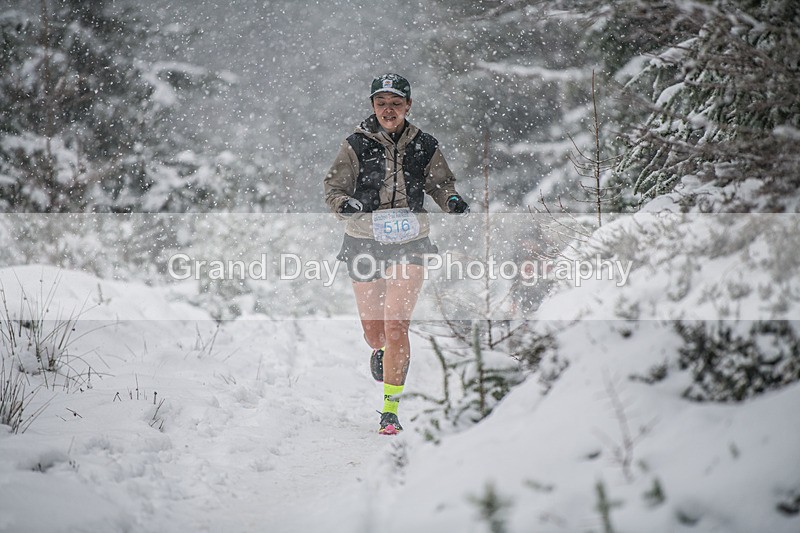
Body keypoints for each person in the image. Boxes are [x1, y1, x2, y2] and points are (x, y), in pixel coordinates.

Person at [324, 73, 469, 435]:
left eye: (396, 103)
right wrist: (344, 204)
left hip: (411, 241)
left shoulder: (425, 144)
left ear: (408, 105)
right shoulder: (355, 144)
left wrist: (450, 200)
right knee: (376, 333)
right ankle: (379, 351)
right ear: (373, 106)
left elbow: (441, 184)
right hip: (364, 239)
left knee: (396, 325)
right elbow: (334, 188)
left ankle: (390, 410)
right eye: (381, 103)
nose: (388, 110)